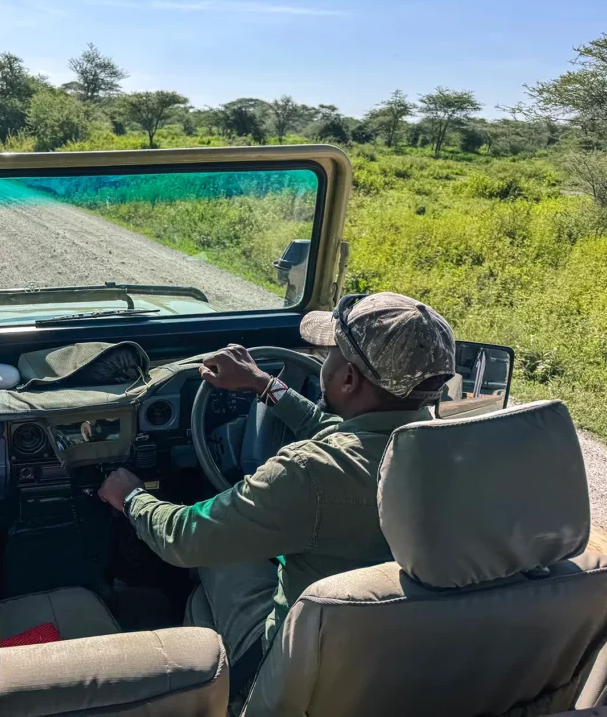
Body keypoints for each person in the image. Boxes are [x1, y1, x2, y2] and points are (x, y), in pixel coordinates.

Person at [98, 292, 456, 704]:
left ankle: (219, 691)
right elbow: (346, 428)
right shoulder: (462, 450)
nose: (324, 362)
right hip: (398, 655)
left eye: (330, 354)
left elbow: (184, 537)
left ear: (349, 380)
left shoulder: (307, 473)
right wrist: (265, 385)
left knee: (208, 566)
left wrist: (130, 497)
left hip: (293, 666)